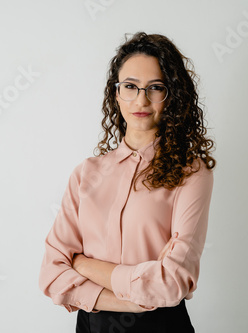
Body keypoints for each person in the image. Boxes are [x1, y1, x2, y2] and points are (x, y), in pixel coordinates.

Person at [39, 31, 216, 332]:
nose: (141, 100)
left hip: (160, 326)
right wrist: (128, 300)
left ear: (172, 94)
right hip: (91, 324)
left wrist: (83, 265)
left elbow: (171, 282)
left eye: (155, 88)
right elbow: (51, 275)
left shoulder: (191, 172)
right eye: (130, 87)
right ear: (116, 93)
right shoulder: (86, 173)